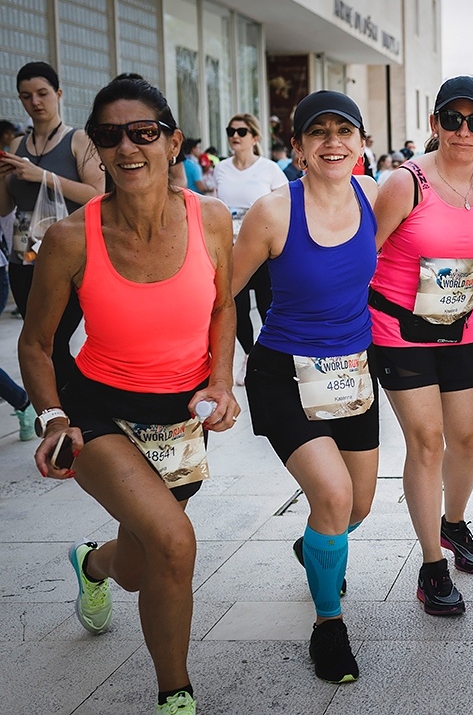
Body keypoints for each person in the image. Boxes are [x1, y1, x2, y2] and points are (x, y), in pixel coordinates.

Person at [19, 73, 238, 715]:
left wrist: (221, 380)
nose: (127, 148)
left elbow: (223, 307)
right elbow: (36, 344)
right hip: (99, 412)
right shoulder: (70, 239)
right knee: (174, 542)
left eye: (143, 132)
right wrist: (53, 417)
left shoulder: (211, 220)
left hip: (179, 421)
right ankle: (176, 695)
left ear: (172, 142)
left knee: (142, 568)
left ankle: (93, 564)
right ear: (97, 146)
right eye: (109, 135)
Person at [232, 91, 378, 684]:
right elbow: (221, 294)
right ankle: (328, 626)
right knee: (335, 497)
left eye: (345, 130)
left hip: (351, 375)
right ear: (297, 147)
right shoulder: (273, 212)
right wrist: (217, 374)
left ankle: (316, 544)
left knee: (357, 505)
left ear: (362, 142)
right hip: (284, 375)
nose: (333, 142)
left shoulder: (374, 195)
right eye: (318, 132)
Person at [369, 76, 473, 616]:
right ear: (434, 124)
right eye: (452, 119)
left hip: (459, 329)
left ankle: (453, 524)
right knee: (427, 442)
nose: (463, 131)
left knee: (468, 440)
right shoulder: (404, 183)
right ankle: (431, 565)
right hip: (398, 330)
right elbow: (363, 255)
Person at [0, 62, 105, 383]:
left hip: (69, 256)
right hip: (24, 256)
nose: (35, 102)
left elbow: (96, 194)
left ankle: (66, 401)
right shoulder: (17, 145)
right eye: (26, 96)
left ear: (58, 94)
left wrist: (42, 176)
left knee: (57, 340)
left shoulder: (79, 140)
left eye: (43, 93)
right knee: (34, 341)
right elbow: (5, 208)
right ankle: (49, 402)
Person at [210, 113, 288, 384]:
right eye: (230, 131)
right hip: (230, 249)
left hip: (264, 249)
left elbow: (286, 204)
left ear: (254, 137)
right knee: (236, 306)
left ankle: (271, 358)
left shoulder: (269, 169)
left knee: (268, 305)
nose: (235, 136)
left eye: (241, 131)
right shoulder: (221, 169)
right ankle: (248, 355)